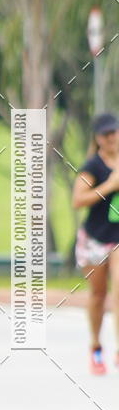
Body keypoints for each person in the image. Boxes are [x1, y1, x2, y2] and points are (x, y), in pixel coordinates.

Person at [72, 113, 119, 375]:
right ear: (98, 138)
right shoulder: (93, 166)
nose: (112, 138)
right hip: (95, 238)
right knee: (98, 295)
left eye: (114, 132)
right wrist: (110, 185)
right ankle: (96, 346)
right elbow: (77, 200)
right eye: (106, 134)